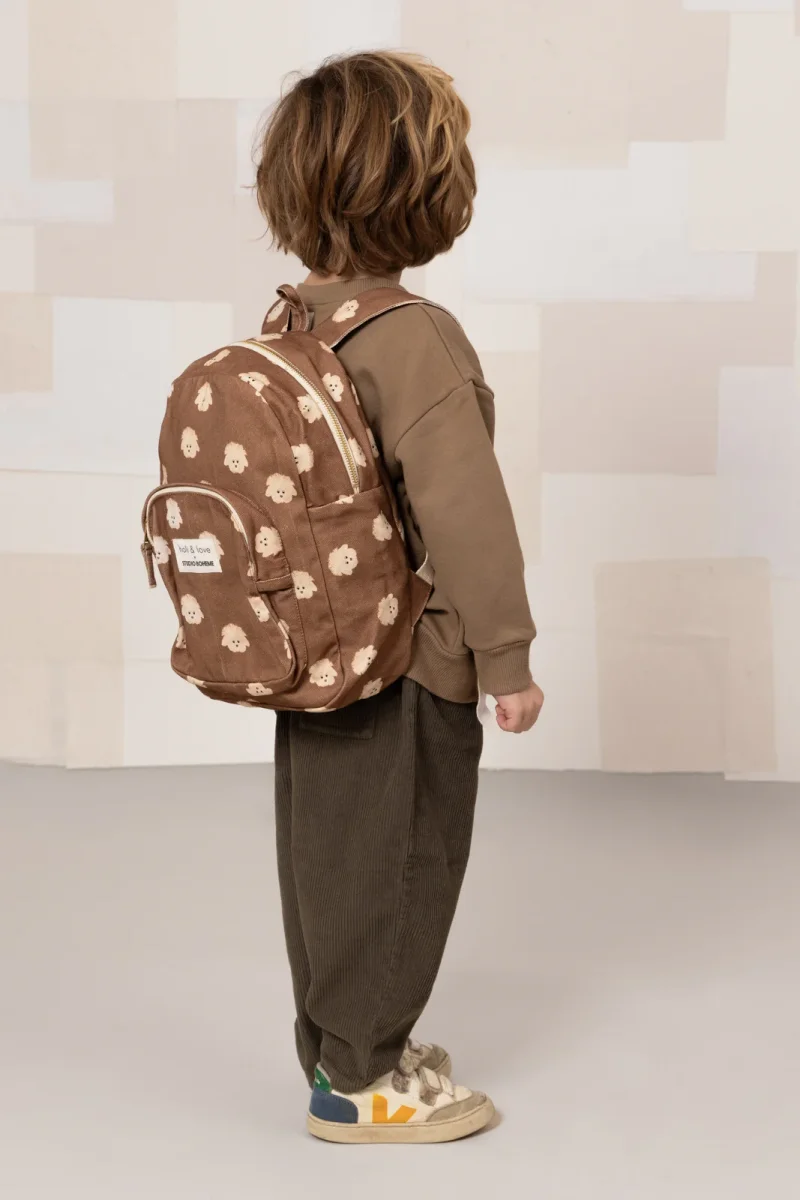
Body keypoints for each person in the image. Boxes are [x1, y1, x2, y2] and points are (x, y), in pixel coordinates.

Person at [254, 50, 544, 1144]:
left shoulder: (294, 322)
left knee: (328, 864)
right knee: (406, 862)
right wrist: (504, 659)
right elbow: (466, 515)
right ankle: (364, 1084)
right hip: (409, 656)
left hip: (311, 652)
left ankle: (339, 1051)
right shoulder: (411, 337)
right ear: (424, 189)